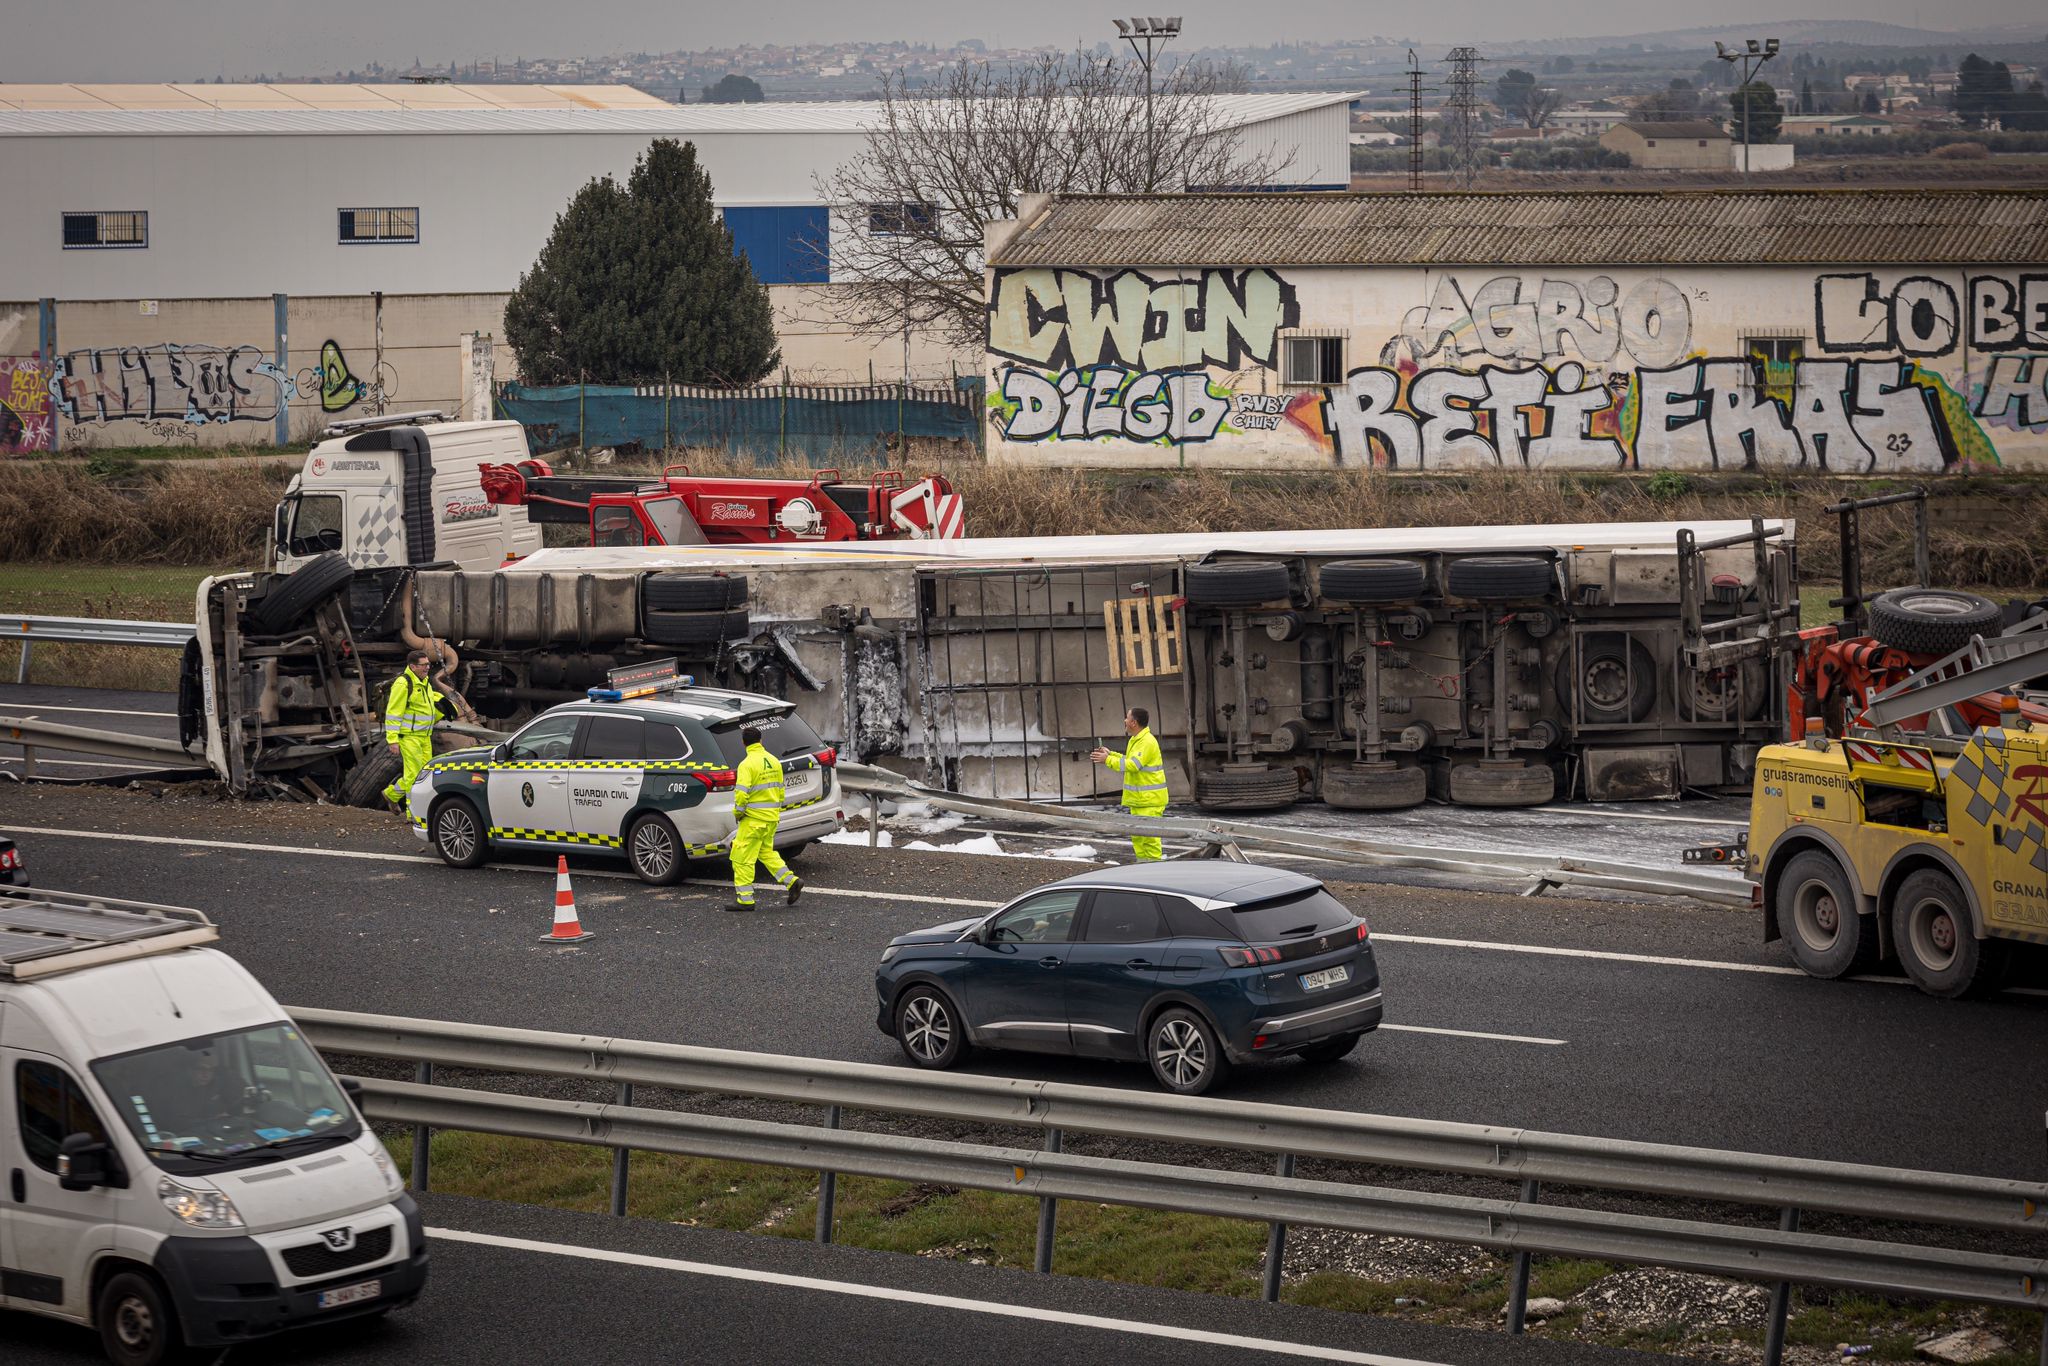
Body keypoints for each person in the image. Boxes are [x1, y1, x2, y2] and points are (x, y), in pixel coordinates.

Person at [729, 726, 803, 912]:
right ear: (761, 740)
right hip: (771, 819)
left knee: (741, 858)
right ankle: (792, 881)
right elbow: (781, 791)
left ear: (743, 743)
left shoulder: (746, 764)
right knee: (766, 853)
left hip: (753, 820)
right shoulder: (774, 761)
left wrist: (738, 813)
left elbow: (741, 794)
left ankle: (745, 900)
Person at [1091, 706, 1168, 861]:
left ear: (1134, 722)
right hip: (1140, 800)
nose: (1124, 720)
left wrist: (1108, 760)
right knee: (1139, 839)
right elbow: (1129, 760)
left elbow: (1133, 765)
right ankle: (1143, 869)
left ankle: (1154, 870)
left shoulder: (1146, 741)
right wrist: (1111, 754)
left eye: (1127, 717)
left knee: (1149, 840)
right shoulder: (1137, 739)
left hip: (1149, 801)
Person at [382, 648, 448, 810]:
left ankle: (392, 794)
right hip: (409, 737)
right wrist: (392, 740)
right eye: (423, 665)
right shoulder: (403, 684)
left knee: (424, 774)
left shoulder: (424, 681)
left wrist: (443, 705)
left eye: (428, 664)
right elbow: (393, 713)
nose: (427, 667)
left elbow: (425, 704)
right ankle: (414, 813)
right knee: (414, 775)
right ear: (412, 666)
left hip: (424, 736)